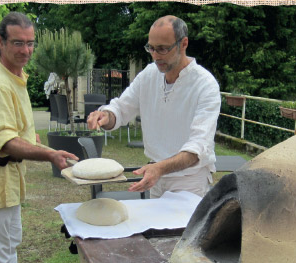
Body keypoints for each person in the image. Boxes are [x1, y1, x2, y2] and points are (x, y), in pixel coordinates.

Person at [0, 12, 78, 263]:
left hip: (6, 175)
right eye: (18, 43)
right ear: (0, 41)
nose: (26, 51)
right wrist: (50, 154)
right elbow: (5, 141)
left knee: (8, 243)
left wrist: (29, 138)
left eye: (30, 43)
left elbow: (10, 129)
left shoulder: (12, 72)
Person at [87, 15, 221, 199]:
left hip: (190, 181)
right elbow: (121, 108)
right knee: (156, 228)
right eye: (151, 48)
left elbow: (197, 148)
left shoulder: (205, 85)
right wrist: (106, 115)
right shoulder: (149, 74)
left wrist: (160, 168)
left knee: (183, 229)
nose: (156, 55)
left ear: (183, 44)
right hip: (157, 175)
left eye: (163, 49)